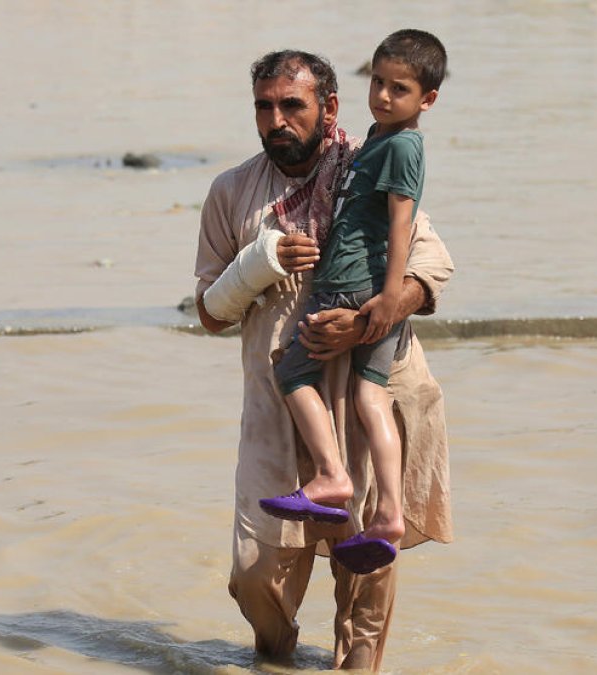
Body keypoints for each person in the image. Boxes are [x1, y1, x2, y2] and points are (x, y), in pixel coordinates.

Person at [192, 48, 453, 671]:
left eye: (292, 105)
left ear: (329, 107)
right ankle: (275, 660)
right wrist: (260, 263)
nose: (276, 119)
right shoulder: (231, 192)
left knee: (365, 589)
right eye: (264, 106)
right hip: (279, 404)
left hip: (367, 402)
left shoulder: (370, 166)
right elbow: (207, 312)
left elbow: (430, 267)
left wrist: (363, 322)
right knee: (256, 577)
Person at [262, 29, 448, 578]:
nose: (384, 97)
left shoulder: (402, 145)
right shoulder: (379, 138)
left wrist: (392, 296)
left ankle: (331, 476)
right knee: (371, 399)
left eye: (400, 89)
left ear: (427, 100)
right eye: (379, 82)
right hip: (364, 286)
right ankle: (388, 513)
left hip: (351, 285)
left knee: (293, 373)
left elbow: (402, 223)